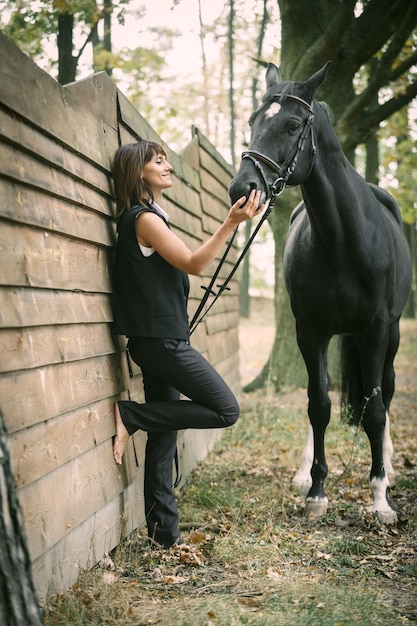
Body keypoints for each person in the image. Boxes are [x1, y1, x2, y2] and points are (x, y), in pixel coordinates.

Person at [111, 140, 264, 549]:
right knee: (226, 409)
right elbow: (195, 263)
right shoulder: (143, 219)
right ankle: (132, 415)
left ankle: (164, 536)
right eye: (155, 159)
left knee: (166, 434)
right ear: (136, 171)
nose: (166, 164)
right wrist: (230, 223)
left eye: (166, 158)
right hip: (161, 344)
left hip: (158, 341)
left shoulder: (152, 217)